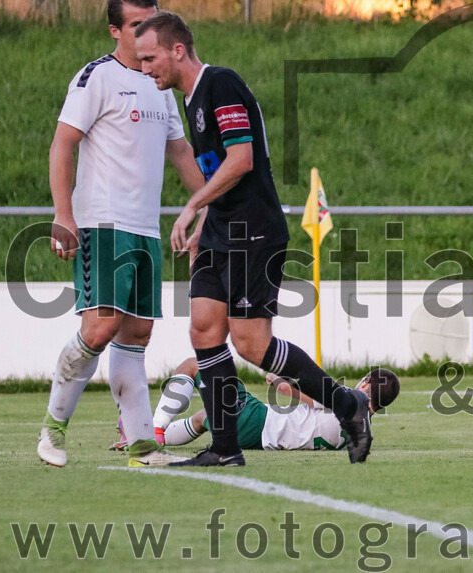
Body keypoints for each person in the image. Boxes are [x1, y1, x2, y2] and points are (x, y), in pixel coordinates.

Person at [133, 12, 372, 467]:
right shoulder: (192, 98)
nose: (146, 68)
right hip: (223, 230)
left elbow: (242, 160)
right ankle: (225, 450)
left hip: (253, 230)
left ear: (177, 49)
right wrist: (207, 222)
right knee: (203, 329)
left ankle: (346, 404)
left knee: (251, 343)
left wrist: (192, 206)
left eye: (150, 58)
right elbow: (222, 171)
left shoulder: (220, 84)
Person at [38, 0, 206, 468]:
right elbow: (62, 144)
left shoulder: (160, 85)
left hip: (146, 231)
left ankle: (140, 447)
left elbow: (181, 153)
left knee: (136, 337)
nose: (145, 33)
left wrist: (216, 202)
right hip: (102, 223)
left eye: (151, 23)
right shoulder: (96, 77)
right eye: (136, 25)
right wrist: (63, 214)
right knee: (100, 327)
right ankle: (53, 428)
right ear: (116, 30)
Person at [112, 358, 400, 451]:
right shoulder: (362, 434)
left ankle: (155, 432)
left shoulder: (348, 401)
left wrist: (277, 379)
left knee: (196, 364)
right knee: (203, 417)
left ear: (365, 385)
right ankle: (147, 432)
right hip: (260, 438)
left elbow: (294, 391)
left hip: (258, 421)